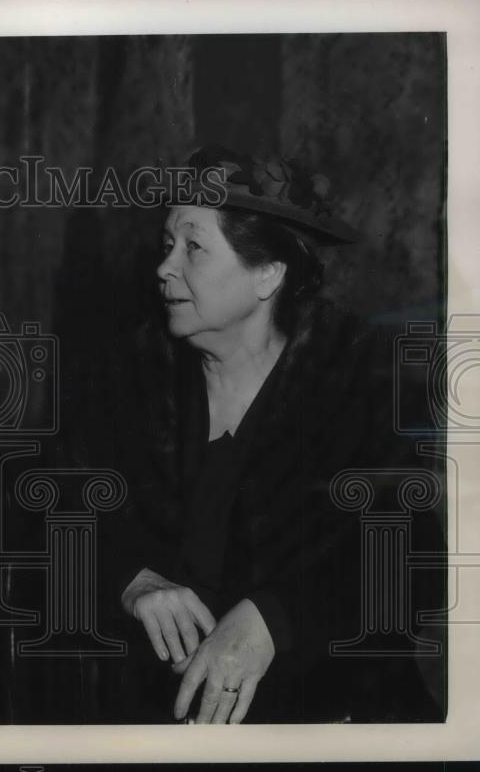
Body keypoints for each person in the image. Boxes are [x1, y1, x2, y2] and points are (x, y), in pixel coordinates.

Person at [73, 145, 444, 723]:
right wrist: (130, 578)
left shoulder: (356, 392)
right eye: (167, 244)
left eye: (193, 247)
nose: (164, 267)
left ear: (268, 274)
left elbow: (410, 564)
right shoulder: (126, 384)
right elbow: (51, 518)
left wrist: (275, 618)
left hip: (330, 727)